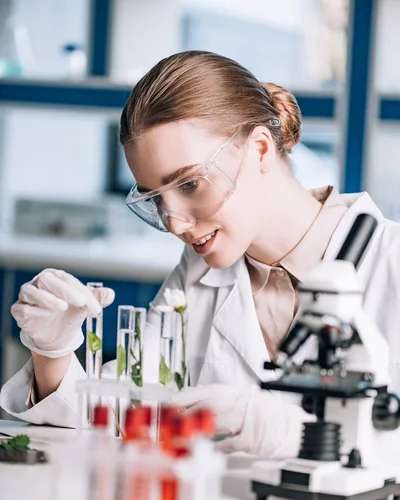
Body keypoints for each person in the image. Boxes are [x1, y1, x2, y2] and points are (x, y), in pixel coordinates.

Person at [1, 51, 400, 459]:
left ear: (261, 149)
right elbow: (118, 414)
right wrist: (52, 352)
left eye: (190, 185)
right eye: (157, 200)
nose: (175, 225)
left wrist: (298, 436)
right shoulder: (197, 275)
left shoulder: (391, 262)